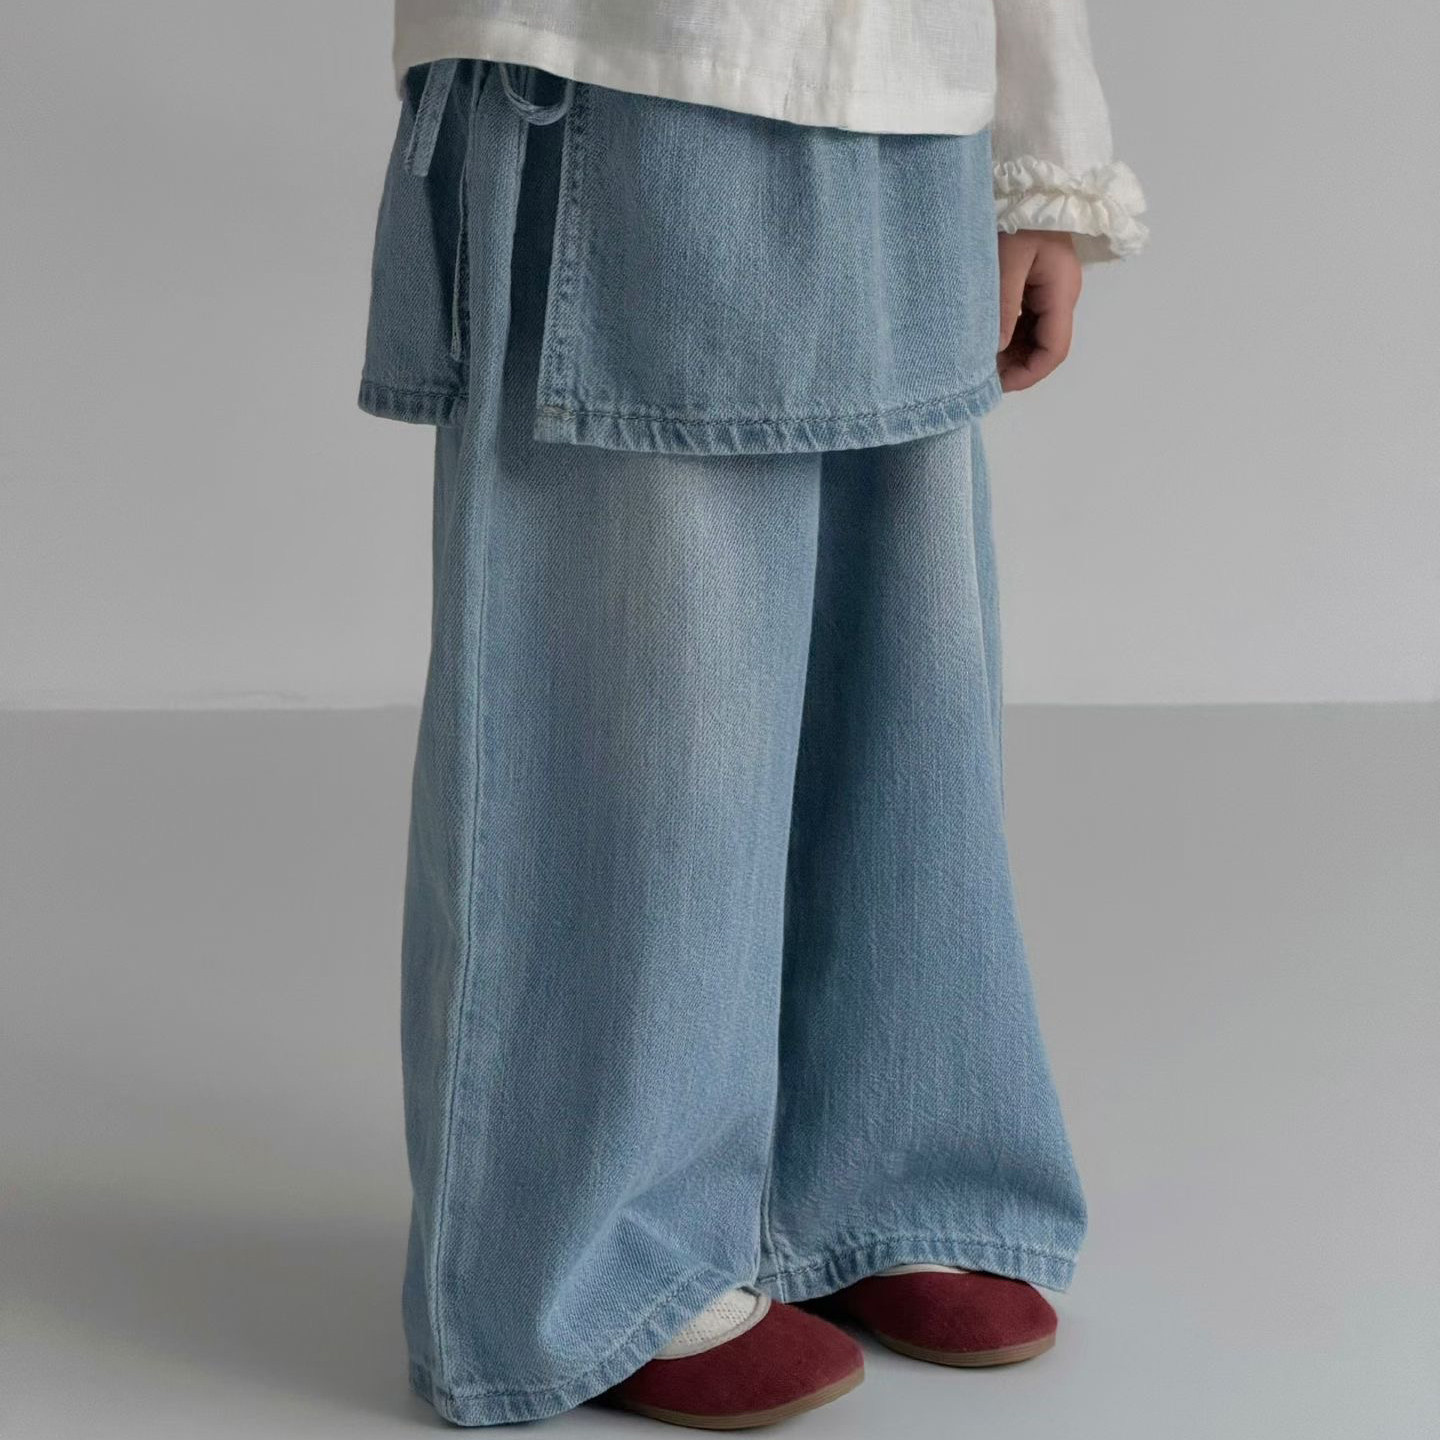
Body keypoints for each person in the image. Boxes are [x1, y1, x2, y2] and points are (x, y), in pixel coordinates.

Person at [358, 0, 1145, 1428]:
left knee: (908, 674)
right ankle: (600, 1256)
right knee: (648, 692)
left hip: (914, 91)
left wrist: (1046, 152)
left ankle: (877, 1174)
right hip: (622, 70)